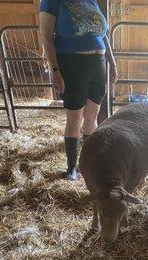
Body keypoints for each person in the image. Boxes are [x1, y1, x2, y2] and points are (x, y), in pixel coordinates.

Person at [39, 0, 118, 180]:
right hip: (72, 64)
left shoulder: (91, 1)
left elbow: (103, 34)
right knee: (74, 118)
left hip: (98, 64)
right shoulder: (51, 2)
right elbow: (46, 37)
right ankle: (72, 167)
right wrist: (55, 70)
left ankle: (88, 163)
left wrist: (112, 63)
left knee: (92, 116)